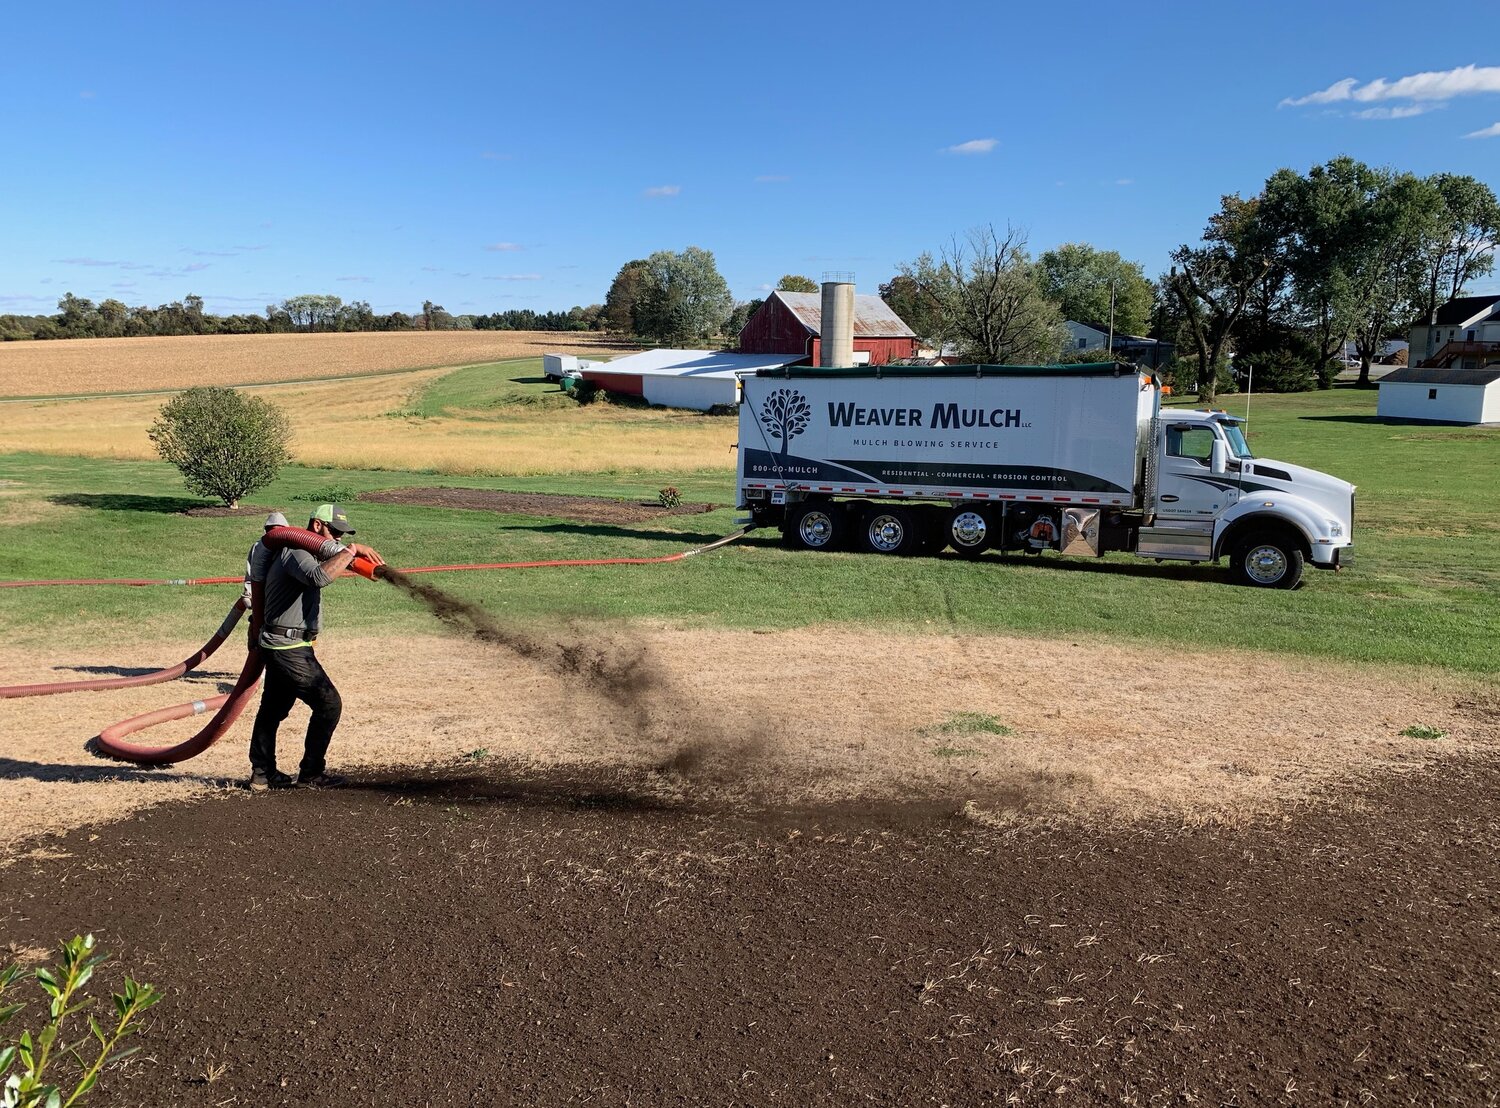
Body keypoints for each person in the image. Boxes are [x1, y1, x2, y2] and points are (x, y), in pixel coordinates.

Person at [246, 504, 384, 791]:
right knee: (328, 704)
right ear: (317, 526)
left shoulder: (307, 551)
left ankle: (262, 774)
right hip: (288, 647)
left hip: (287, 644)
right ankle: (311, 773)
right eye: (334, 532)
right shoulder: (295, 551)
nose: (337, 539)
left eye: (343, 535)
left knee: (273, 709)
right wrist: (351, 551)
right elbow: (318, 577)